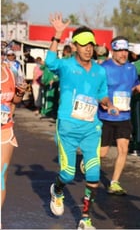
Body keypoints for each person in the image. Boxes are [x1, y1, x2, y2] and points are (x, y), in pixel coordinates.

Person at [46, 13, 118, 229]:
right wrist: (57, 35)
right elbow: (50, 62)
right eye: (84, 44)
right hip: (67, 127)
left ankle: (85, 219)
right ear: (75, 46)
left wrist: (107, 103)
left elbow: (101, 94)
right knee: (68, 174)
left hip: (91, 129)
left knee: (94, 173)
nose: (88, 48)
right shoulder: (66, 66)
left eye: (91, 44)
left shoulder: (99, 70)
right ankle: (57, 189)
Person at [98, 36, 140, 195]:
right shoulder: (104, 68)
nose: (123, 54)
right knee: (102, 153)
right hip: (106, 117)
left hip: (124, 116)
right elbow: (96, 89)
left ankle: (114, 182)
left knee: (123, 150)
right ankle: (89, 161)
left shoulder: (131, 68)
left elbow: (135, 83)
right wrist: (103, 102)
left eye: (125, 51)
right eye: (120, 51)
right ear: (113, 52)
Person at [1, 59, 27, 212]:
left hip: (5, 129)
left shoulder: (12, 69)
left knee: (1, 175)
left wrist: (21, 92)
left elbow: (15, 99)